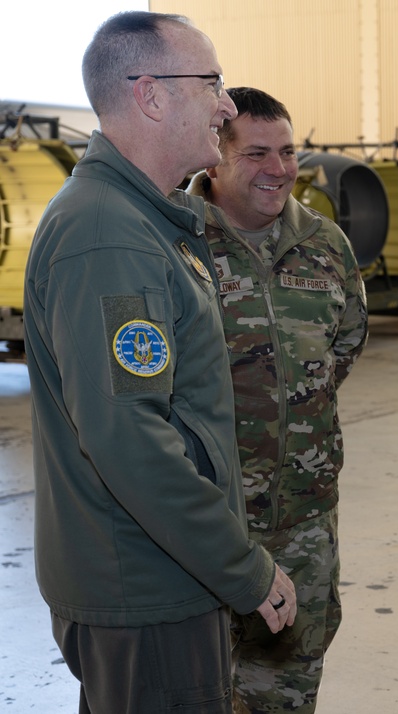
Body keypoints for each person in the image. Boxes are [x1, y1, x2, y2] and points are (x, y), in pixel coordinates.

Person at [23, 12, 297, 714]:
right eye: (213, 82)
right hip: (144, 584)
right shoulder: (109, 235)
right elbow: (130, 439)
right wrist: (242, 567)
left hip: (152, 574)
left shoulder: (140, 219)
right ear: (151, 95)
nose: (228, 105)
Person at [185, 87, 368, 714]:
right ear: (214, 158)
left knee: (289, 678)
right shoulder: (173, 243)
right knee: (188, 681)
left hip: (303, 517)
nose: (280, 169)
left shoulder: (325, 245)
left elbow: (341, 347)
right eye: (257, 153)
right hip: (200, 518)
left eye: (288, 151)